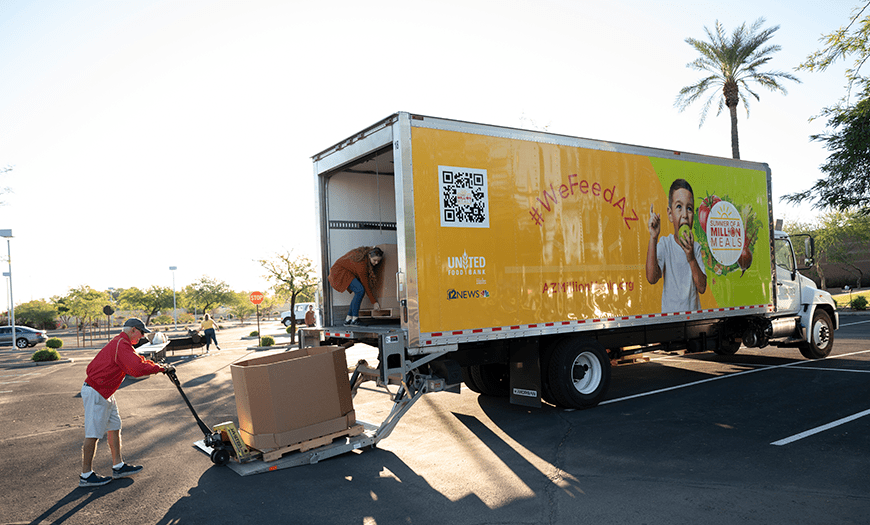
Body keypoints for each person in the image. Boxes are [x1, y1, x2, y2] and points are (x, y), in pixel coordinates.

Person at [79, 317, 173, 488]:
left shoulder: (122, 344)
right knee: (93, 434)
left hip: (105, 392)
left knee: (115, 427)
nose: (143, 336)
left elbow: (138, 361)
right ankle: (86, 475)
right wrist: (160, 369)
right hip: (96, 391)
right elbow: (136, 369)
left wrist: (158, 366)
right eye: (141, 333)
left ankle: (118, 466)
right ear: (132, 330)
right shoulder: (121, 344)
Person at [646, 178, 707, 313]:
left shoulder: (695, 248)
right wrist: (653, 237)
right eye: (679, 207)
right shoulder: (665, 244)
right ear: (670, 214)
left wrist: (691, 258)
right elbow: (652, 278)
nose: (685, 215)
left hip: (693, 318)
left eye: (689, 208)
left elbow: (702, 287)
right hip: (671, 319)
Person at [328, 246, 384, 326]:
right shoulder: (362, 264)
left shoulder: (365, 254)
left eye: (378, 261)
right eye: (374, 260)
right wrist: (374, 302)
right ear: (369, 256)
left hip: (340, 270)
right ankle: (355, 319)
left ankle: (348, 319)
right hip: (339, 272)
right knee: (360, 290)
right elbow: (366, 284)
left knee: (358, 291)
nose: (376, 263)